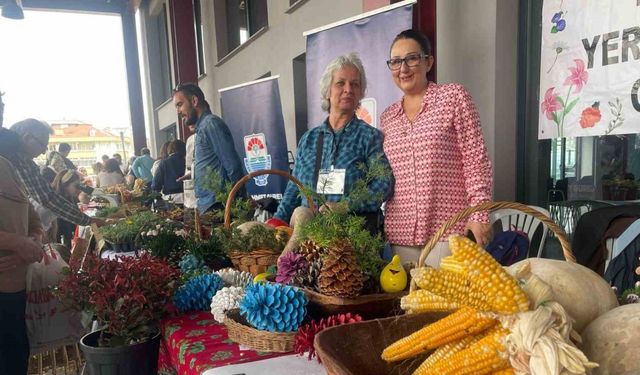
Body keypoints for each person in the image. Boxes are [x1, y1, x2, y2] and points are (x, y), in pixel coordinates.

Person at [380, 29, 493, 268]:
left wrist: (479, 215)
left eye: (411, 58)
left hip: (448, 231)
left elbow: (476, 160)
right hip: (400, 235)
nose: (403, 68)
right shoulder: (387, 117)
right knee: (404, 305)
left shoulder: (453, 97)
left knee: (449, 306)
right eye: (396, 62)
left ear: (428, 62)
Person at [272, 53, 394, 238]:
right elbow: (293, 189)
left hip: (352, 240)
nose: (348, 89)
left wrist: (346, 206)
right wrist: (276, 223)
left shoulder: (369, 137)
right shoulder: (309, 139)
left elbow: (384, 185)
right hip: (308, 241)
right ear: (327, 90)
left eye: (355, 84)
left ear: (361, 92)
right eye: (340, 83)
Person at [0, 126, 45, 375]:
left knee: (16, 356)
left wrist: (32, 244)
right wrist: (18, 244)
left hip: (15, 288)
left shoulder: (9, 169)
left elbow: (34, 221)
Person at [7, 119, 102, 228]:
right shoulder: (20, 160)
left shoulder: (22, 160)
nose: (43, 151)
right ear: (27, 138)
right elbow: (48, 199)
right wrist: (88, 221)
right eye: (43, 145)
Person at [172, 83, 244, 214]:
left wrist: (238, 204)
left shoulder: (210, 124)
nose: (178, 112)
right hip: (209, 205)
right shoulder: (203, 128)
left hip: (218, 205)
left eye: (179, 105)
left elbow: (233, 166)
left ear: (194, 101)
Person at [51, 170, 85, 245]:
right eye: (76, 186)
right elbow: (77, 217)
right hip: (54, 233)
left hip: (64, 230)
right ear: (65, 185)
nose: (79, 189)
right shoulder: (55, 199)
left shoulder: (68, 196)